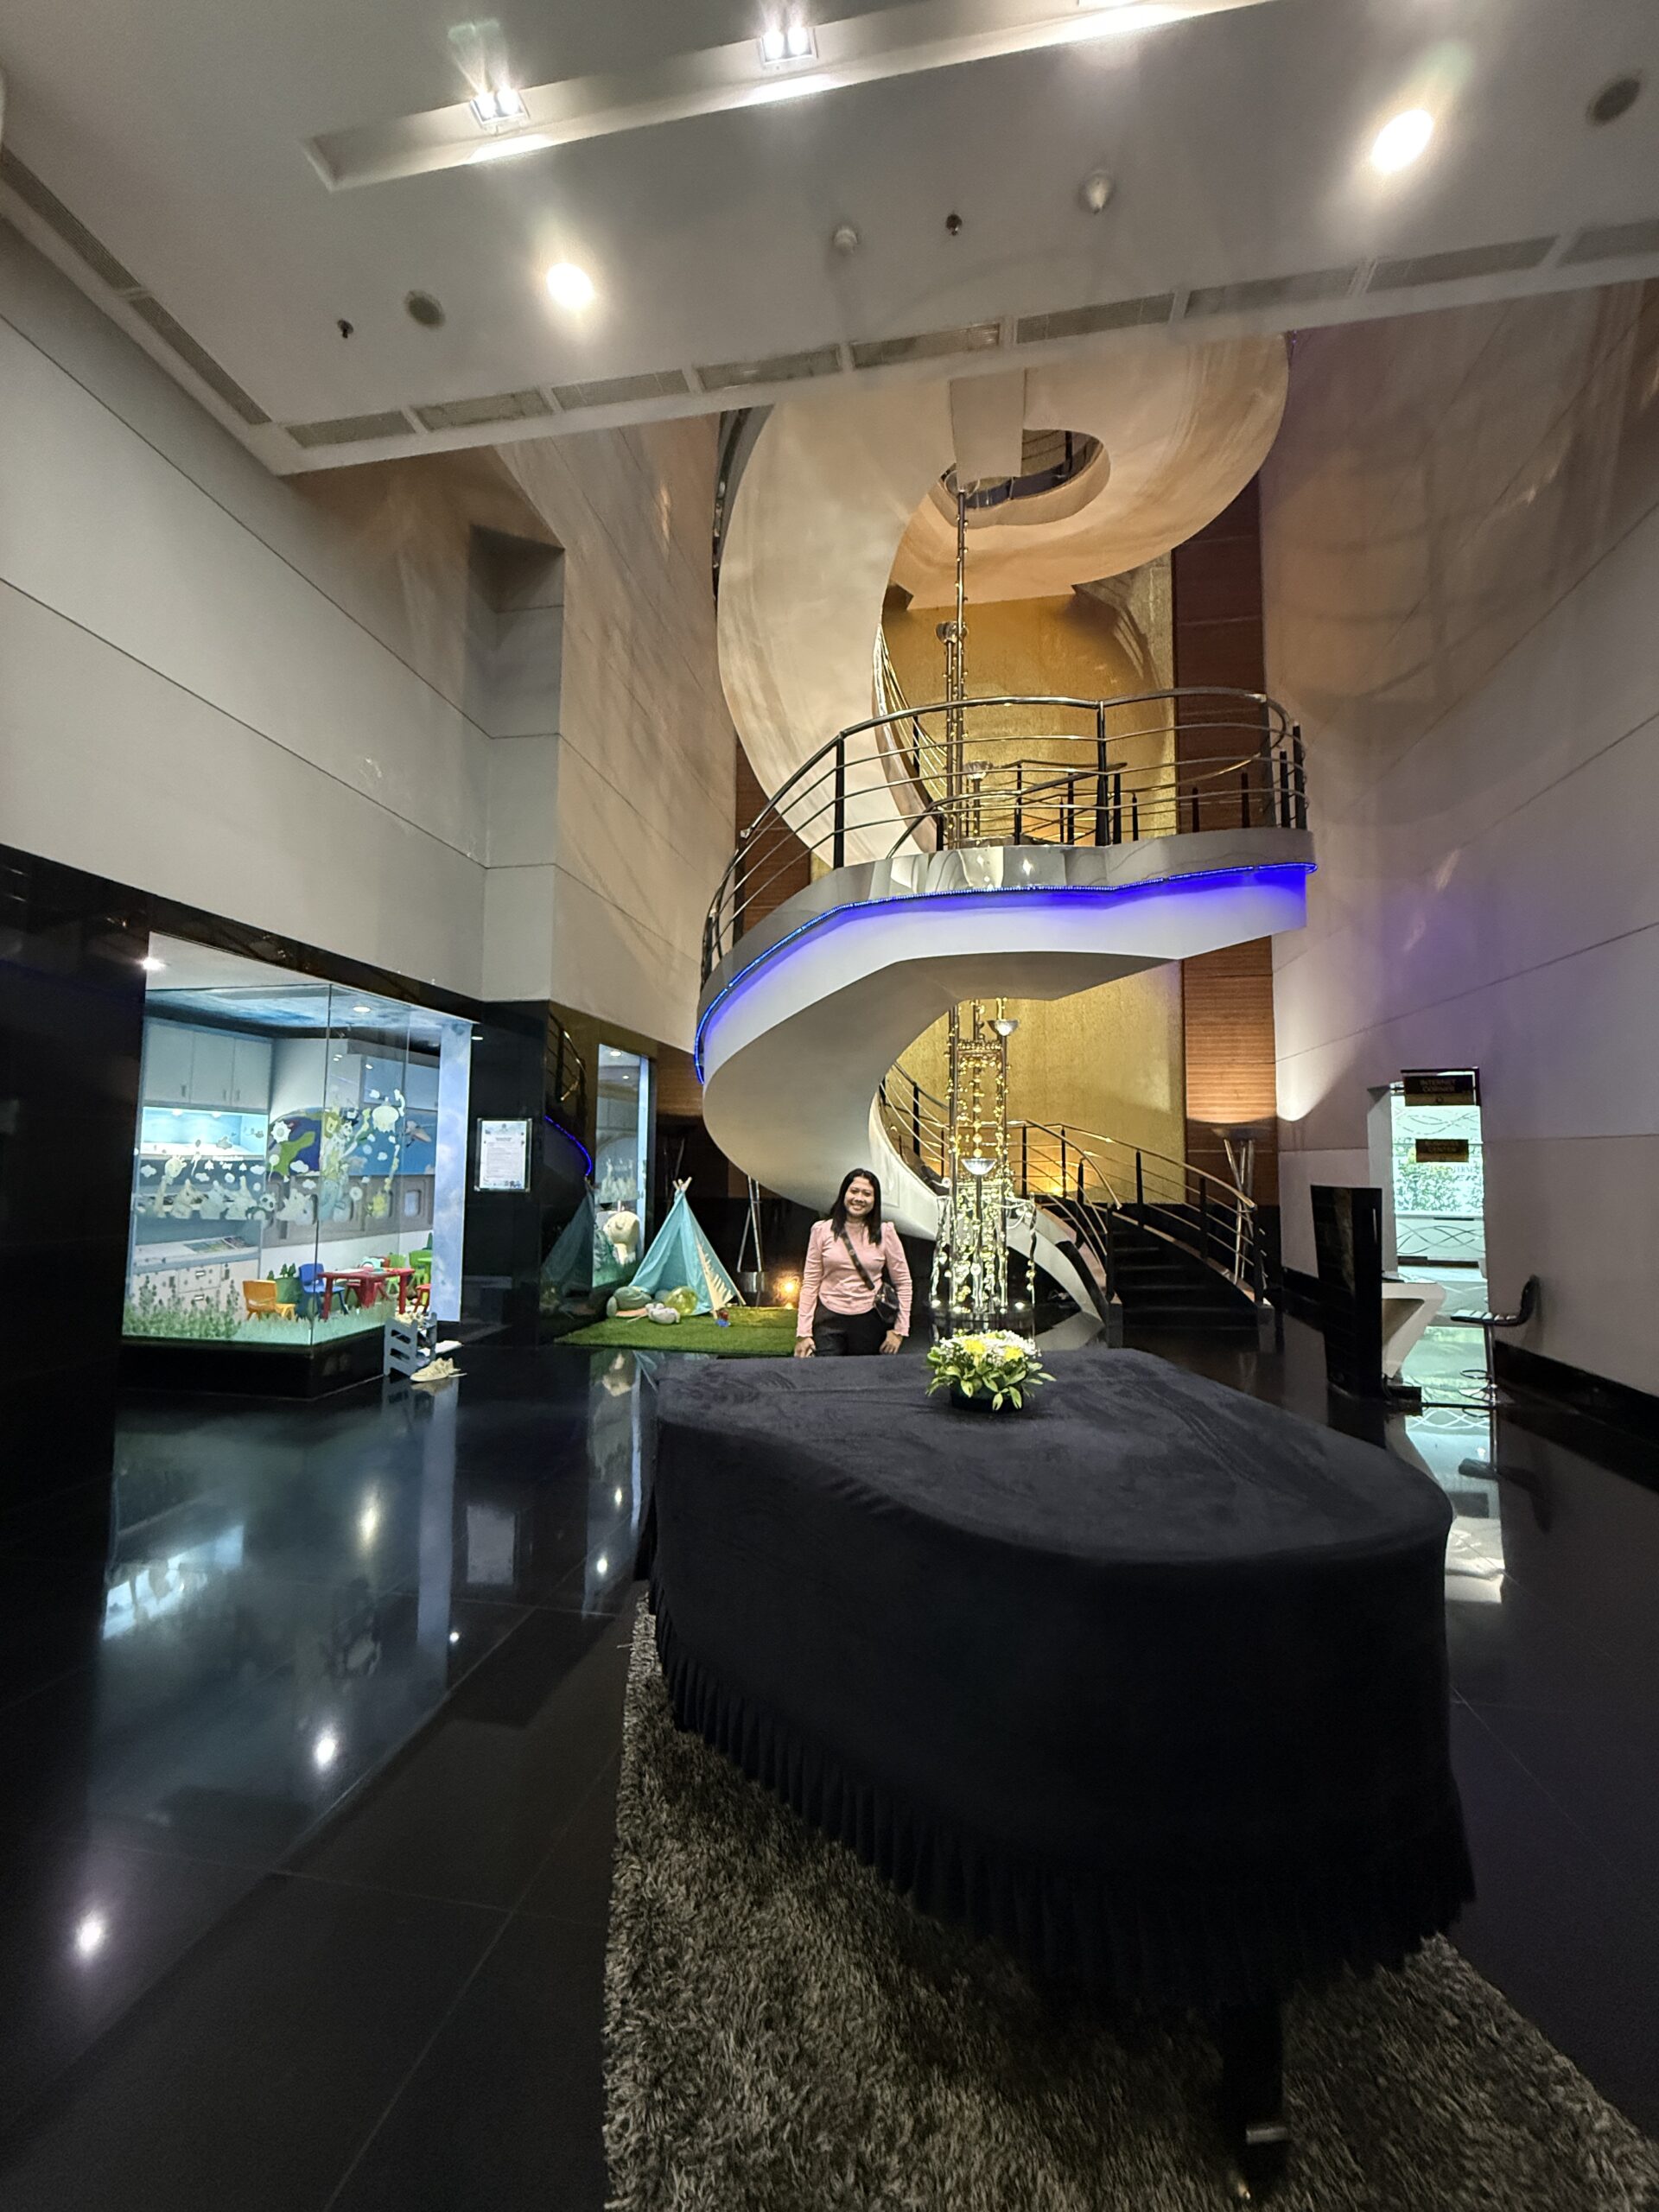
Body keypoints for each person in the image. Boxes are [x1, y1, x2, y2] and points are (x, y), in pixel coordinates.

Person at [793, 1168, 912, 1357]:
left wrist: (899, 1331)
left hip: (870, 1321)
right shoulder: (821, 1230)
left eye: (867, 1194)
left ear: (875, 1200)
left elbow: (904, 1283)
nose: (859, 1198)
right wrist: (803, 1333)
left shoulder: (886, 1233)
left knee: (865, 1375)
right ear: (844, 1194)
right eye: (854, 1191)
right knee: (826, 1374)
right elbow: (810, 1283)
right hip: (828, 1319)